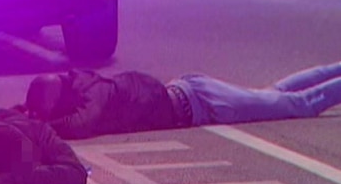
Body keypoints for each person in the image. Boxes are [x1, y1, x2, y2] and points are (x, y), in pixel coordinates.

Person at [24, 62, 341, 139]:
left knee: (299, 105)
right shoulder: (84, 80)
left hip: (204, 104)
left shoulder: (93, 95)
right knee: (275, 95)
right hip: (192, 92)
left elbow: (82, 124)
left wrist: (43, 127)